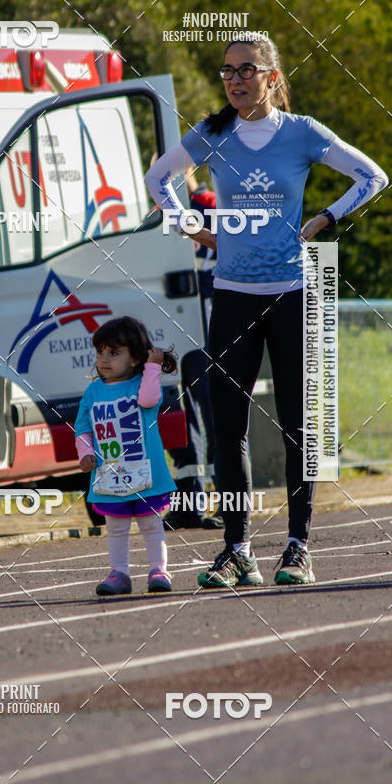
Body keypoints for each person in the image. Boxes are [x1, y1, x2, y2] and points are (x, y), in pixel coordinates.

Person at [145, 34, 388, 588]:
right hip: (231, 296)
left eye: (246, 70)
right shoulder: (212, 133)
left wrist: (324, 219)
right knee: (228, 428)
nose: (233, 80)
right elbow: (158, 178)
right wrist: (191, 227)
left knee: (302, 426)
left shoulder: (301, 132)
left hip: (295, 293)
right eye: (226, 71)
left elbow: (373, 176)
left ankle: (299, 545)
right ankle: (237, 550)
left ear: (272, 77)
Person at [75, 316, 177, 595]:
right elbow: (83, 427)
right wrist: (85, 452)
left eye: (114, 352)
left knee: (150, 524)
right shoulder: (93, 391)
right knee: (116, 528)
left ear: (135, 359)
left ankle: (159, 570)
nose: (104, 359)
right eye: (100, 352)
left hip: (147, 472)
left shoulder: (142, 384)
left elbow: (148, 400)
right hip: (109, 475)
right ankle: (119, 574)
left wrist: (153, 367)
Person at [163, 168, 224, 531]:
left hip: (206, 323)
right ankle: (189, 500)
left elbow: (209, 207)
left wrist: (189, 183)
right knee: (178, 415)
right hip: (174, 320)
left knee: (213, 412)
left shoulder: (207, 204)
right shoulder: (169, 208)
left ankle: (226, 501)